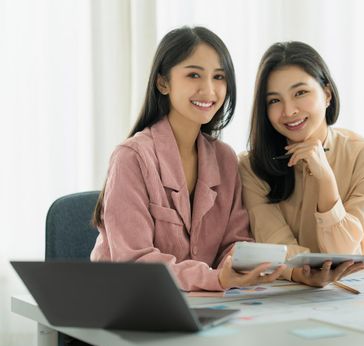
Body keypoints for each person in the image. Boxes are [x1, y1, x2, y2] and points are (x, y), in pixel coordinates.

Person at [91, 26, 286, 292]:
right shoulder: (132, 158)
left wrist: (241, 266)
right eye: (194, 74)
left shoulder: (224, 158)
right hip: (127, 303)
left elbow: (235, 241)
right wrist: (213, 278)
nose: (209, 89)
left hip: (202, 303)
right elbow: (134, 261)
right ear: (163, 82)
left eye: (219, 77)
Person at [239, 41, 364, 286]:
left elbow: (346, 253)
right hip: (283, 292)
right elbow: (276, 246)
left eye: (300, 93)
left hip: (353, 292)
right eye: (274, 101)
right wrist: (303, 273)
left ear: (327, 94)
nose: (288, 111)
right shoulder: (251, 166)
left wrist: (325, 178)